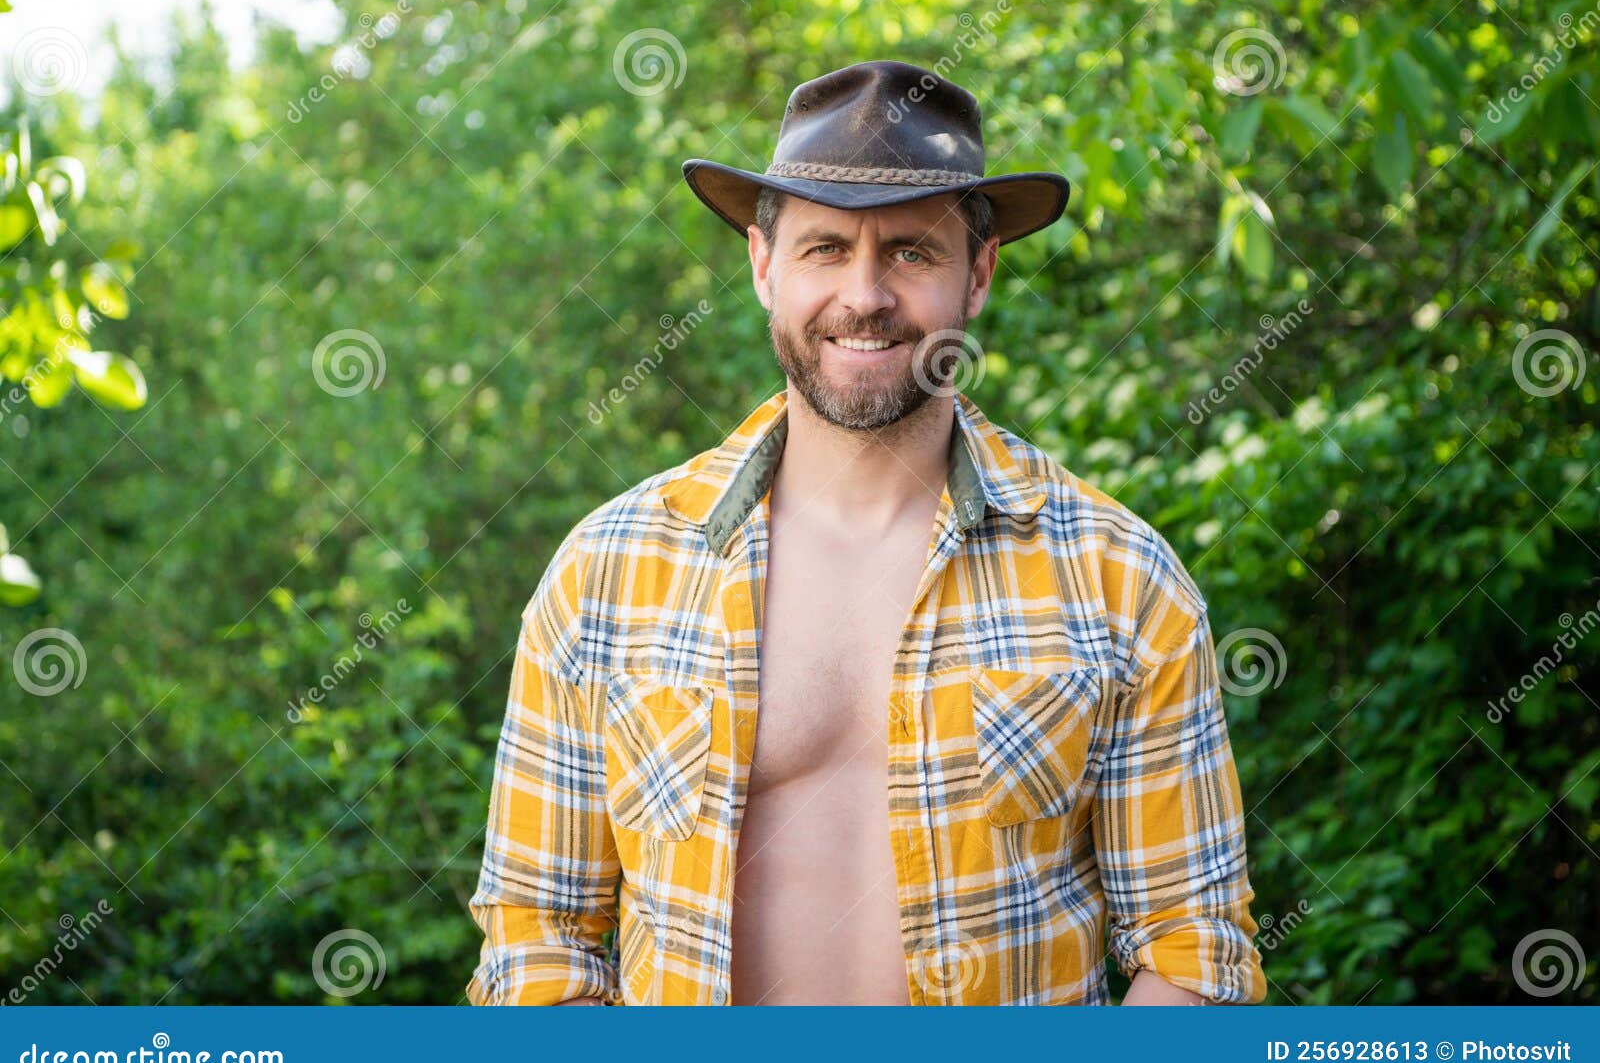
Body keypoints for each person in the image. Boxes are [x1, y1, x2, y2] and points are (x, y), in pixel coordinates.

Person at [466, 59, 1267, 1006]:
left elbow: (1193, 947)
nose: (865, 295)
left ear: (979, 274)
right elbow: (538, 938)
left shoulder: (1120, 578)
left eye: (911, 253)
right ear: (764, 267)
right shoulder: (605, 573)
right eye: (823, 250)